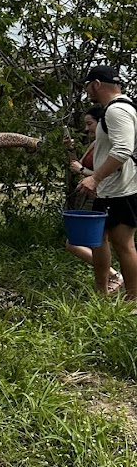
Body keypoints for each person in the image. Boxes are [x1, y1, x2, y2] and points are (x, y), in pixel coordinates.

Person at [78, 65, 137, 300]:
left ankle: (133, 301)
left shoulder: (116, 111)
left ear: (97, 84)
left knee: (124, 245)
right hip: (110, 190)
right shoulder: (121, 108)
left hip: (120, 190)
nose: (88, 91)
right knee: (97, 240)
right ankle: (101, 293)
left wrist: (95, 177)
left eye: (87, 86)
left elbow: (123, 149)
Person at [63, 106, 123, 291]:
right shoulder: (94, 144)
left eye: (90, 123)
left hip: (105, 195)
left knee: (100, 241)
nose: (87, 128)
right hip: (91, 197)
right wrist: (69, 150)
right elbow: (78, 166)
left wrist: (84, 172)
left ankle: (115, 278)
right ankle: (112, 278)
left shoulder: (111, 146)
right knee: (77, 242)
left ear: (102, 124)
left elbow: (105, 173)